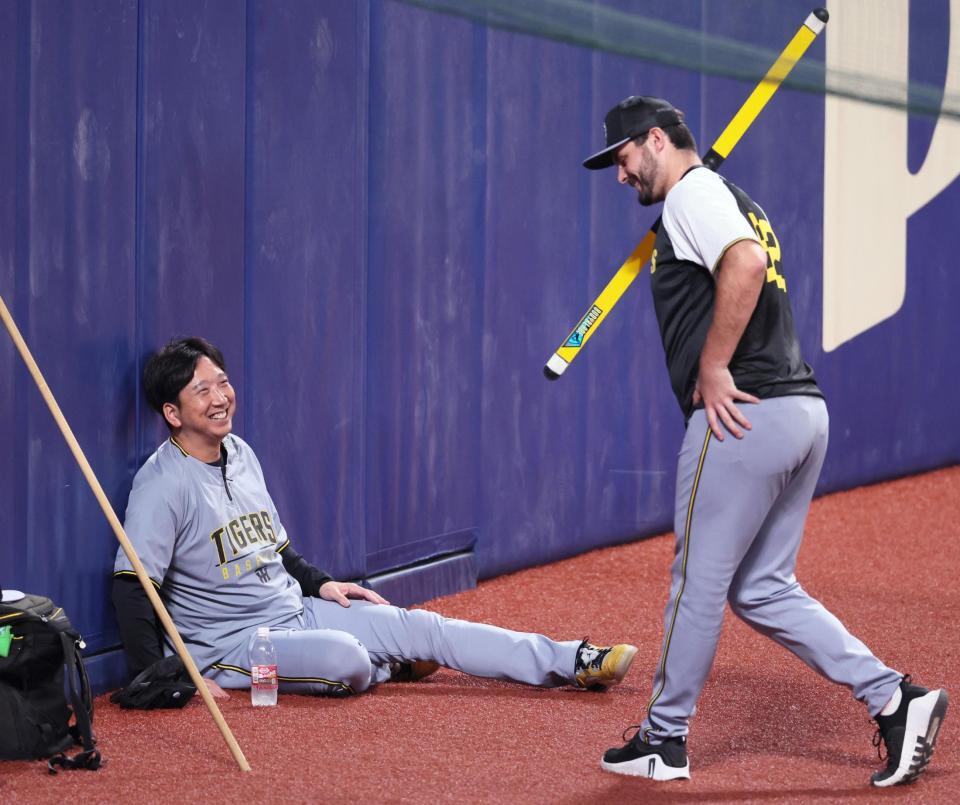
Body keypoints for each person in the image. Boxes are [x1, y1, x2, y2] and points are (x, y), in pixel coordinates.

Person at [582, 95, 948, 786]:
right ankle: (897, 698)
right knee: (761, 588)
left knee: (697, 580)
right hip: (799, 413)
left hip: (742, 417)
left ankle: (663, 737)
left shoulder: (692, 196)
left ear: (655, 140)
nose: (619, 174)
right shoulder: (726, 198)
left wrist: (713, 366)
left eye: (623, 157)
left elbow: (745, 265)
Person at [112, 337, 637, 701]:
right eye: (201, 390)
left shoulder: (242, 453)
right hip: (233, 645)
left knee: (422, 625)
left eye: (221, 382)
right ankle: (388, 661)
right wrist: (158, 678)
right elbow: (133, 585)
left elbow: (278, 551)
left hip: (297, 612)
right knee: (350, 662)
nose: (220, 397)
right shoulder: (163, 483)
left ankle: (571, 661)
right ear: (173, 413)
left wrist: (322, 585)